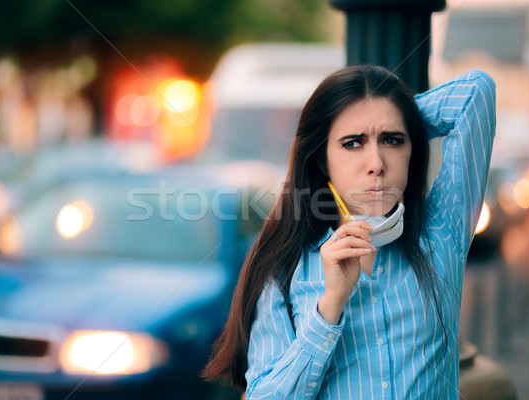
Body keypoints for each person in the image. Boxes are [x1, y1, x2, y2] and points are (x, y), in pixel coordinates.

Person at [203, 65, 496, 399]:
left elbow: (476, 93)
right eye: (353, 143)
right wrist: (329, 307)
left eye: (392, 140)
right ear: (322, 159)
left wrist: (399, 115)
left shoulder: (442, 233)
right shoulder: (284, 270)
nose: (377, 163)